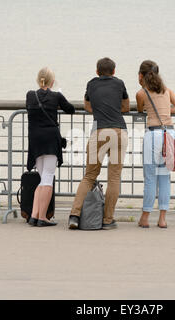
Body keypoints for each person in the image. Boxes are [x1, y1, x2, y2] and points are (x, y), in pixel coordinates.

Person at [68, 57, 129, 230]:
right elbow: (125, 107)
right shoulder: (119, 84)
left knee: (90, 175)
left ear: (97, 71)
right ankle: (107, 220)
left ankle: (74, 215)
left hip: (99, 132)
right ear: (114, 71)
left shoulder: (91, 84)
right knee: (114, 177)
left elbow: (87, 106)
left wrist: (99, 110)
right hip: (118, 131)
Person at [136, 60, 175, 228]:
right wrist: (167, 110)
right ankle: (162, 218)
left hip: (153, 134)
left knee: (150, 178)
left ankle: (145, 217)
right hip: (169, 133)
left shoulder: (141, 93)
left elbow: (140, 110)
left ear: (141, 76)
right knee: (165, 177)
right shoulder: (167, 91)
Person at [26, 67, 75, 227]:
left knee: (43, 178)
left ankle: (34, 215)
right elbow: (70, 109)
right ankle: (42, 217)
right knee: (48, 178)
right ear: (52, 82)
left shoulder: (30, 95)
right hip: (50, 139)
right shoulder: (56, 96)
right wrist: (59, 96)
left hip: (35, 140)